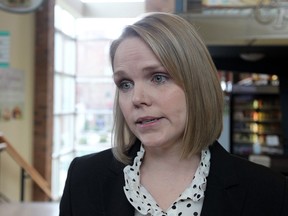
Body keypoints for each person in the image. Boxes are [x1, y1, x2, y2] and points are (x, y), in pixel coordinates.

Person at [59, 12, 288, 216]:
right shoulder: (84, 178)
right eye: (125, 84)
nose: (137, 98)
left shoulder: (269, 192)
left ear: (196, 84)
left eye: (158, 78)